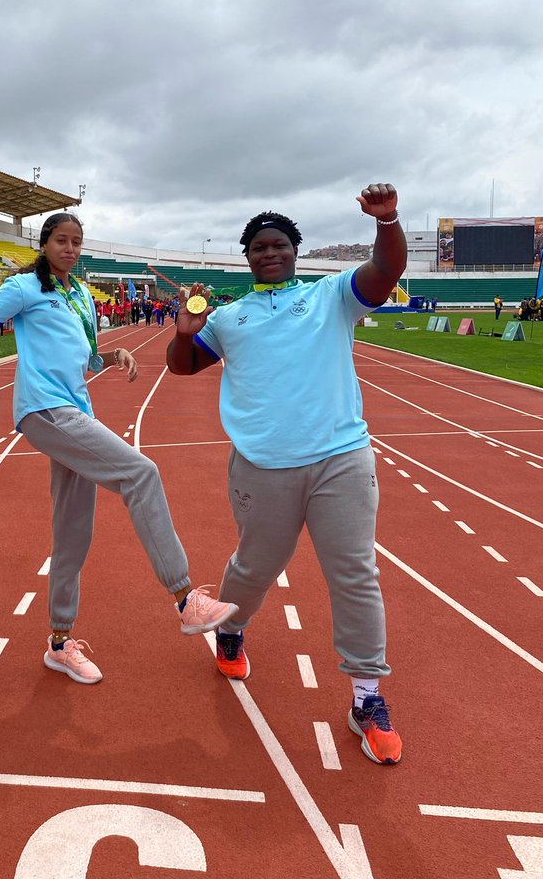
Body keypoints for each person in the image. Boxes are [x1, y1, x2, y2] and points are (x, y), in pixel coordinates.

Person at [167, 183, 407, 766]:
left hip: (340, 458)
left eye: (278, 245)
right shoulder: (229, 317)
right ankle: (231, 628)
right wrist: (183, 329)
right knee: (255, 565)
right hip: (262, 464)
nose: (268, 253)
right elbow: (183, 365)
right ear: (246, 257)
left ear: (295, 250)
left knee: (355, 572)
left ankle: (367, 697)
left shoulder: (332, 297)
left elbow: (385, 268)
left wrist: (388, 221)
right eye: (257, 247)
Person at [0, 212, 237, 685]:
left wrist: (113, 355)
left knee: (73, 532)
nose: (70, 249)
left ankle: (59, 642)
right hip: (45, 410)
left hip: (76, 410)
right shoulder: (25, 287)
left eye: (77, 242)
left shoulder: (80, 297)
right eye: (61, 241)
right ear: (44, 243)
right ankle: (185, 598)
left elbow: (86, 359)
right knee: (141, 472)